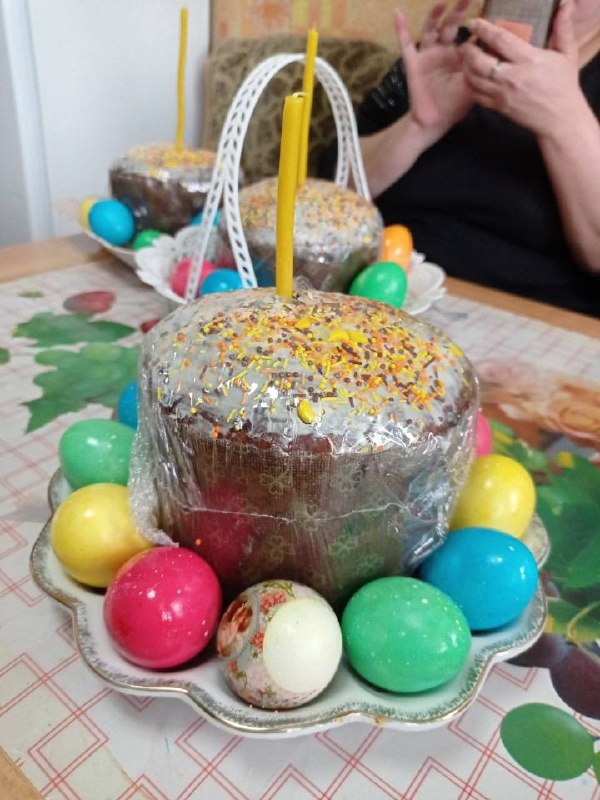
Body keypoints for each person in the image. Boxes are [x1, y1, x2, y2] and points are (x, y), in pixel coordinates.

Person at [319, 0, 600, 316]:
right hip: (391, 307)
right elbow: (328, 196)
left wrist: (566, 121)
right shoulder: (449, 51)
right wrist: (418, 127)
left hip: (530, 323)